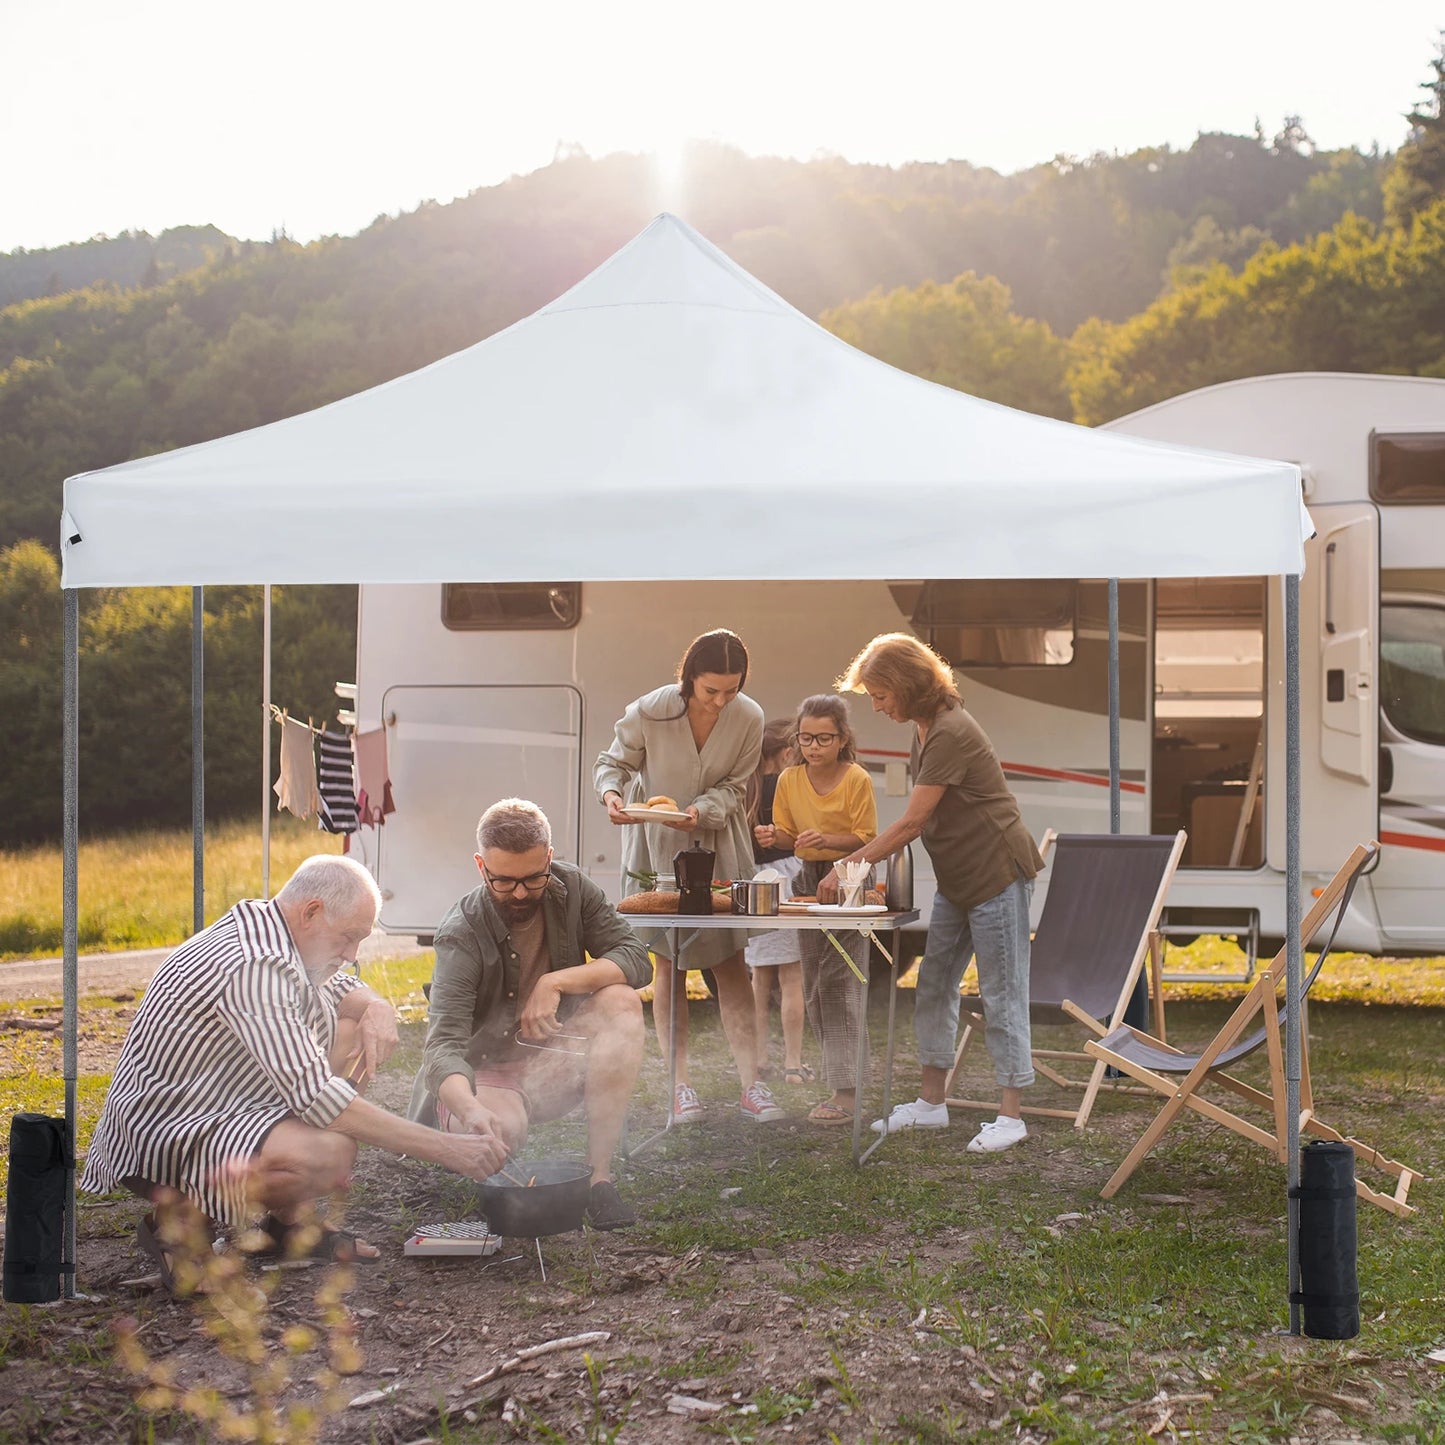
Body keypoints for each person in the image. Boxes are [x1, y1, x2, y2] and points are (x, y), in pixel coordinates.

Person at [81, 856, 506, 1286]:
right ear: (312, 911)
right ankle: (179, 1227)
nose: (351, 954)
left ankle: (288, 1227)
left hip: (216, 1102)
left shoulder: (279, 930)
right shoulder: (254, 966)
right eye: (348, 937)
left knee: (350, 1025)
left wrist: (377, 1006)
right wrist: (448, 1148)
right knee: (328, 1154)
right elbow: (322, 1102)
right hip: (167, 1136)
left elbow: (340, 987)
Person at [827, 633, 1044, 1154]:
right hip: (958, 878)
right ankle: (931, 1104)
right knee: (934, 985)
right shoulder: (924, 727)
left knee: (1001, 992)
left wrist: (849, 866)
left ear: (906, 684)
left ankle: (1011, 1116)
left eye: (880, 694)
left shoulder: (950, 729)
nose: (876, 706)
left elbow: (914, 821)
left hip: (996, 870)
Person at [409, 798, 648, 1229]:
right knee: (503, 1130)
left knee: (621, 1001)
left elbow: (635, 958)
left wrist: (554, 982)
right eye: (503, 882)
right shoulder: (461, 933)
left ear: (549, 860)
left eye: (532, 879)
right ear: (481, 867)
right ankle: (479, 1130)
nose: (519, 893)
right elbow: (442, 1047)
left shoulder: (572, 887)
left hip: (557, 1063)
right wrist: (470, 1109)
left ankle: (599, 1180)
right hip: (489, 1075)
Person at [595, 628, 784, 1124]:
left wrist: (700, 811)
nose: (722, 701)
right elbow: (612, 763)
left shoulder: (750, 716)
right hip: (654, 848)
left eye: (732, 689)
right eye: (711, 691)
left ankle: (751, 1085)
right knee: (667, 966)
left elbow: (736, 785)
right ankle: (681, 1088)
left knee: (729, 965)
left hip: (719, 845)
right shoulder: (651, 710)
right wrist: (613, 797)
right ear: (689, 680)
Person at [755, 694, 878, 1126]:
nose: (813, 747)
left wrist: (823, 839)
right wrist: (775, 838)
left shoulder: (856, 778)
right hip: (809, 879)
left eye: (823, 738)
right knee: (812, 983)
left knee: (839, 981)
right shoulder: (790, 778)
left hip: (849, 878)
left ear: (842, 738)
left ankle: (848, 1090)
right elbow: (792, 839)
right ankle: (841, 1083)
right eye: (806, 738)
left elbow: (866, 838)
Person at [745, 719, 809, 1087]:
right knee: (792, 978)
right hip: (786, 879)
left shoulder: (747, 789)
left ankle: (758, 1059)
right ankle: (793, 1063)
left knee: (759, 978)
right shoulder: (788, 786)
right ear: (786, 754)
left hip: (754, 885)